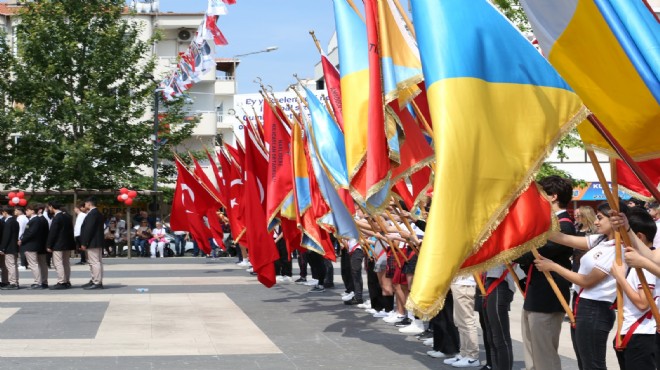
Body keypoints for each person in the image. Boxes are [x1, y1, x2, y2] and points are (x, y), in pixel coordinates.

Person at [535, 201, 630, 370]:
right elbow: (564, 238)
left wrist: (554, 266)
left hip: (596, 310)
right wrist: (536, 227)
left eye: (600, 218)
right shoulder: (600, 240)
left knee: (593, 364)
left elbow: (587, 281)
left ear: (615, 219)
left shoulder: (618, 248)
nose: (595, 222)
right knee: (584, 362)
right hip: (582, 305)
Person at [514, 175, 576, 370]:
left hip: (548, 296)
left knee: (545, 356)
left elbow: (536, 254)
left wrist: (511, 252)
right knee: (532, 352)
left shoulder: (563, 225)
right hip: (536, 293)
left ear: (553, 196)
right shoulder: (548, 223)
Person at [609, 208, 657, 369]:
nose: (619, 240)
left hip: (642, 334)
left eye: (622, 235)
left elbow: (643, 303)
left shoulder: (643, 265)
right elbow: (651, 258)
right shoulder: (642, 259)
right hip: (633, 332)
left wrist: (621, 278)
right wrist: (627, 227)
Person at [46, 202, 75, 290]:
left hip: (58, 244)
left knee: (58, 263)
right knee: (66, 263)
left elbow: (53, 232)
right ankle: (67, 281)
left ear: (51, 207)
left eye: (49, 207)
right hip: (67, 243)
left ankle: (61, 281)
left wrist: (49, 245)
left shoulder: (57, 217)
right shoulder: (67, 216)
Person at [19, 204, 49, 290]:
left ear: (32, 211)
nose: (26, 212)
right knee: (41, 264)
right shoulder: (40, 219)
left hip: (31, 245)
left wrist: (22, 240)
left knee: (33, 264)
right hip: (38, 245)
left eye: (28, 210)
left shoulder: (35, 220)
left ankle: (38, 282)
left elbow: (31, 233)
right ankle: (43, 281)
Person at [79, 197, 105, 290]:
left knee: (94, 262)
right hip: (96, 241)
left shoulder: (92, 214)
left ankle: (97, 282)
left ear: (89, 204)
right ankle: (95, 279)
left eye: (85, 204)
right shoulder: (97, 213)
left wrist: (84, 242)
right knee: (96, 262)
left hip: (92, 241)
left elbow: (88, 229)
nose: (85, 206)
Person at [0, 207, 20, 290]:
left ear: (5, 212)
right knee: (13, 265)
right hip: (14, 246)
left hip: (9, 247)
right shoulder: (14, 221)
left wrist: (2, 248)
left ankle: (13, 283)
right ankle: (14, 281)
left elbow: (6, 236)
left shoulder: (8, 222)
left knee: (10, 265)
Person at [573, 206, 597, 272]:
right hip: (576, 259)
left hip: (588, 260)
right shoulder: (577, 227)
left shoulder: (595, 230)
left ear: (586, 216)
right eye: (576, 215)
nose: (576, 217)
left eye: (579, 215)